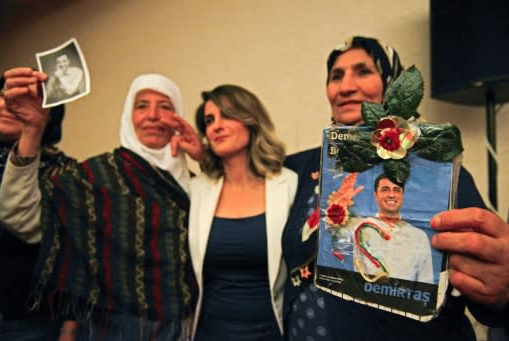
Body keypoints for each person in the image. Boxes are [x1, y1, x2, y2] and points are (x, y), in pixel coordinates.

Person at [282, 36, 509, 340]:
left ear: (392, 82)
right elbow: (251, 163)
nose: (345, 86)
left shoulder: (436, 169)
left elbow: (486, 286)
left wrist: (501, 292)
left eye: (363, 71)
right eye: (336, 76)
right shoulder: (308, 164)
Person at [0, 69, 197, 340]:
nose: (152, 115)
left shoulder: (198, 186)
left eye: (165, 106)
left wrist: (208, 159)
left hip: (186, 328)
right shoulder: (93, 177)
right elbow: (20, 217)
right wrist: (33, 131)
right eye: (141, 106)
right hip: (110, 329)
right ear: (129, 115)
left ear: (178, 118)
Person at [187, 85, 297, 340]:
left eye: (227, 115)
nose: (216, 126)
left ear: (251, 120)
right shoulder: (196, 190)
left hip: (272, 333)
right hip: (209, 333)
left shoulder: (289, 184)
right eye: (209, 120)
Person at [0, 74, 78, 341]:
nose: (10, 105)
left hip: (30, 324)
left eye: (26, 99)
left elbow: (78, 261)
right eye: (4, 95)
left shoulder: (66, 173)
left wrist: (70, 326)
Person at [350, 173, 434, 284]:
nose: (391, 195)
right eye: (385, 189)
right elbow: (355, 273)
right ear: (376, 195)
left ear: (402, 195)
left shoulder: (419, 237)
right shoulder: (360, 230)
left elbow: (426, 282)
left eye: (396, 190)